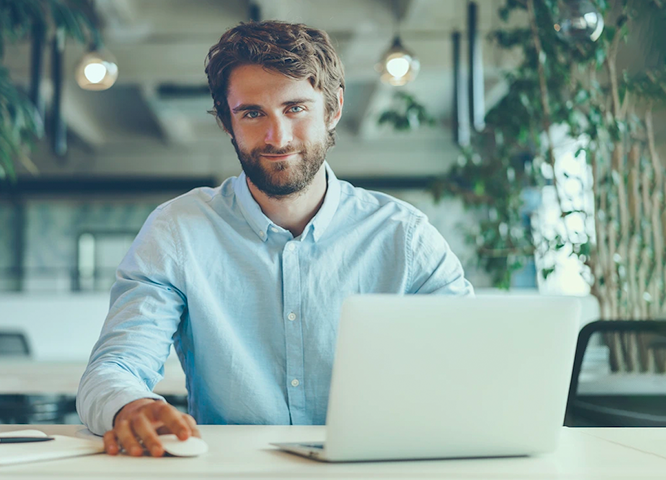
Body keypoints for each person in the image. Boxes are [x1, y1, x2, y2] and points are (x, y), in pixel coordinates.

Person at [76, 20, 474, 458]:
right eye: (252, 113)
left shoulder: (405, 236)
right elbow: (113, 368)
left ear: (333, 108)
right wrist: (131, 405)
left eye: (296, 108)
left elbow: (471, 365)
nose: (276, 137)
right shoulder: (177, 231)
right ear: (227, 122)